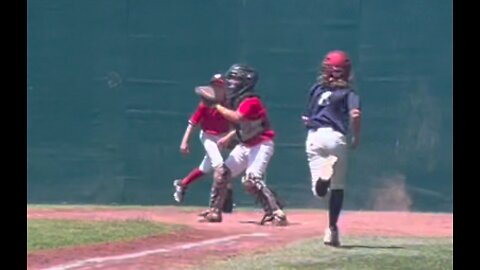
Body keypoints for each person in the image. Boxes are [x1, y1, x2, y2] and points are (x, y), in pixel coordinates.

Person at [198, 63, 287, 226]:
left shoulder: (251, 100)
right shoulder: (235, 100)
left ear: (246, 82)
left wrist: (217, 106)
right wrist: (230, 136)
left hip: (261, 144)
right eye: (230, 78)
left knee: (251, 180)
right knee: (222, 174)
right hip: (245, 144)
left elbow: (238, 118)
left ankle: (275, 212)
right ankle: (214, 211)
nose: (231, 82)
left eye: (235, 79)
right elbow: (239, 125)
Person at [301, 50, 361, 246]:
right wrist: (356, 136)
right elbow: (355, 114)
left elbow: (306, 117)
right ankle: (332, 230)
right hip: (336, 137)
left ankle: (323, 179)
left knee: (319, 192)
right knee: (338, 188)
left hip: (315, 136)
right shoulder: (349, 93)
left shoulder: (316, 89)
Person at [173, 73, 234, 213]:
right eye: (214, 85)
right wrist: (184, 141)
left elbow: (236, 125)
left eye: (220, 86)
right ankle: (217, 204)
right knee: (219, 166)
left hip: (223, 137)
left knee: (205, 169)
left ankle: (182, 184)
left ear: (225, 88)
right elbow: (192, 123)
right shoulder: (204, 105)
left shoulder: (229, 104)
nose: (217, 88)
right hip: (207, 136)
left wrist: (229, 137)